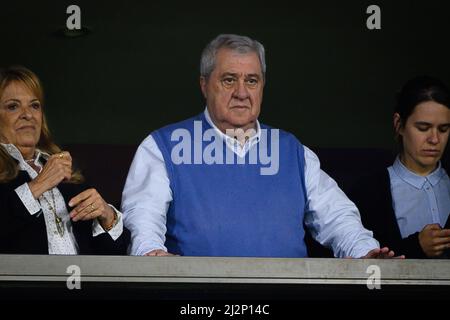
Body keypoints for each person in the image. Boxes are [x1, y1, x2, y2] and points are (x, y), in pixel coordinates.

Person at [122, 33, 399, 258]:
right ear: (204, 85)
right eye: (229, 79)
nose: (241, 93)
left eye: (251, 81)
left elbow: (338, 217)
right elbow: (143, 217)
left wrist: (365, 253)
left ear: (262, 86)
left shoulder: (293, 151)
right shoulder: (163, 146)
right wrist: (151, 254)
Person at [0, 66, 130, 254]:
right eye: (13, 106)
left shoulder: (67, 173)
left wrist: (106, 216)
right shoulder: (51, 173)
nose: (28, 114)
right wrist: (38, 185)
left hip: (78, 282)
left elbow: (113, 257)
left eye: (35, 105)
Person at [349, 76, 450, 258]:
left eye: (443, 129)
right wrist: (416, 247)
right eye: (423, 128)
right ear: (399, 124)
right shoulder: (366, 194)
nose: (434, 139)